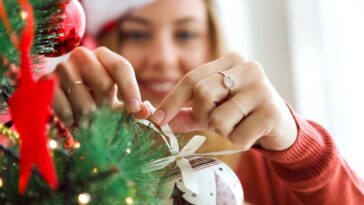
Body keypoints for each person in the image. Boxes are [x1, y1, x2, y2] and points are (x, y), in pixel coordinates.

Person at [44, 0, 364, 204]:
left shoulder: (261, 163)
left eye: (186, 35)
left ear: (212, 43)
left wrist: (302, 149)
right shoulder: (71, 155)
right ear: (104, 43)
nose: (163, 59)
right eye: (138, 35)